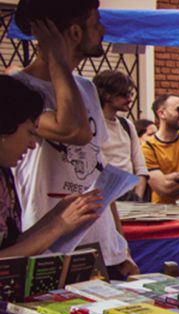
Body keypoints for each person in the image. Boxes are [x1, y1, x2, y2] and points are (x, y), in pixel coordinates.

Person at [11, 0, 138, 279]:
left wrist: (119, 245)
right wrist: (57, 60)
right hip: (46, 249)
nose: (102, 31)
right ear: (75, 32)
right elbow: (72, 130)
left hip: (98, 246)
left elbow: (98, 170)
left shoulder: (86, 88)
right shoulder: (18, 90)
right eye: (95, 24)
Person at [0, 75, 104, 257]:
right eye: (30, 133)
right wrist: (57, 227)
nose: (32, 144)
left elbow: (12, 244)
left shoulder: (4, 173)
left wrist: (55, 217)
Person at [93, 70, 148, 201]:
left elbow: (140, 168)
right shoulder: (92, 124)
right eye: (124, 95)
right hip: (101, 196)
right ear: (106, 95)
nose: (130, 99)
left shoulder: (126, 125)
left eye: (131, 94)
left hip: (129, 196)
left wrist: (137, 198)